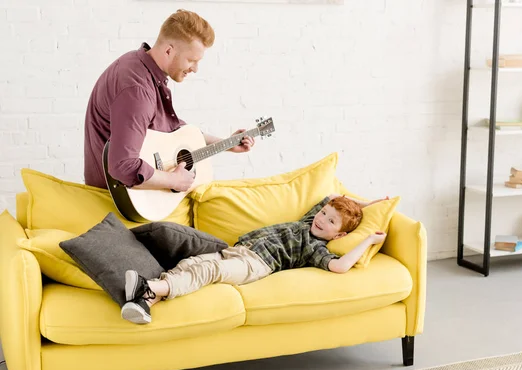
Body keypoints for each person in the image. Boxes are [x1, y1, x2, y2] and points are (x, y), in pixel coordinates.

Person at [120, 194, 389, 324]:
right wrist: (367, 205)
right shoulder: (311, 221)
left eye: (331, 221)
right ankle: (147, 302)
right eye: (324, 214)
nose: (322, 219)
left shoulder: (315, 246)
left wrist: (367, 239)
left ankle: (151, 288)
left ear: (339, 234)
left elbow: (340, 266)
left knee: (211, 269)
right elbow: (332, 198)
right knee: (191, 263)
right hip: (239, 249)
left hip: (257, 263)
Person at [84, 9, 254, 191]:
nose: (195, 69)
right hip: (118, 200)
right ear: (168, 50)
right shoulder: (137, 91)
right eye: (191, 60)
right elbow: (122, 167)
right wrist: (174, 181)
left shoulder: (141, 67)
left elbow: (174, 133)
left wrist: (227, 143)